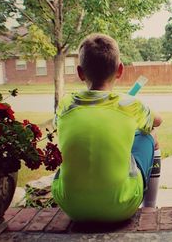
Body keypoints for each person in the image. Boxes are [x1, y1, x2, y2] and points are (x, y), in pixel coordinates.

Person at [52, 33, 162, 222]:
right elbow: (158, 120)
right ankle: (150, 207)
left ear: (80, 72)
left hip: (71, 206)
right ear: (120, 70)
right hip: (121, 206)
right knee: (150, 135)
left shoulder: (66, 104)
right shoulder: (129, 104)